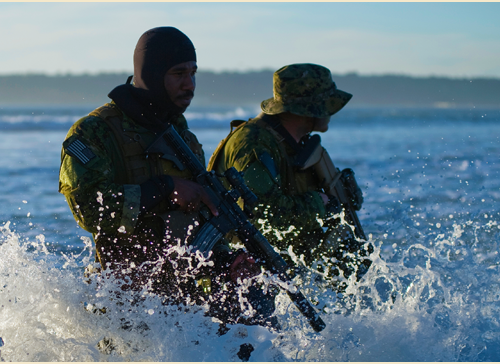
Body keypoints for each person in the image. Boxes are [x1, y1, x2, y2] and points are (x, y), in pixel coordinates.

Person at [58, 26, 274, 329]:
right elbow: (88, 210)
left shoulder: (183, 138)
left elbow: (202, 226)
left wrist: (227, 263)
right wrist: (165, 187)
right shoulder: (96, 132)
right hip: (125, 304)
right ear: (153, 74)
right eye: (178, 74)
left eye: (193, 73)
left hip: (180, 303)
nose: (190, 84)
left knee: (258, 306)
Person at [207, 63, 365, 278]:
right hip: (248, 268)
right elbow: (265, 215)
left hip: (284, 264)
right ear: (309, 109)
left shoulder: (293, 143)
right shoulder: (254, 144)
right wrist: (319, 203)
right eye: (326, 103)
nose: (331, 111)